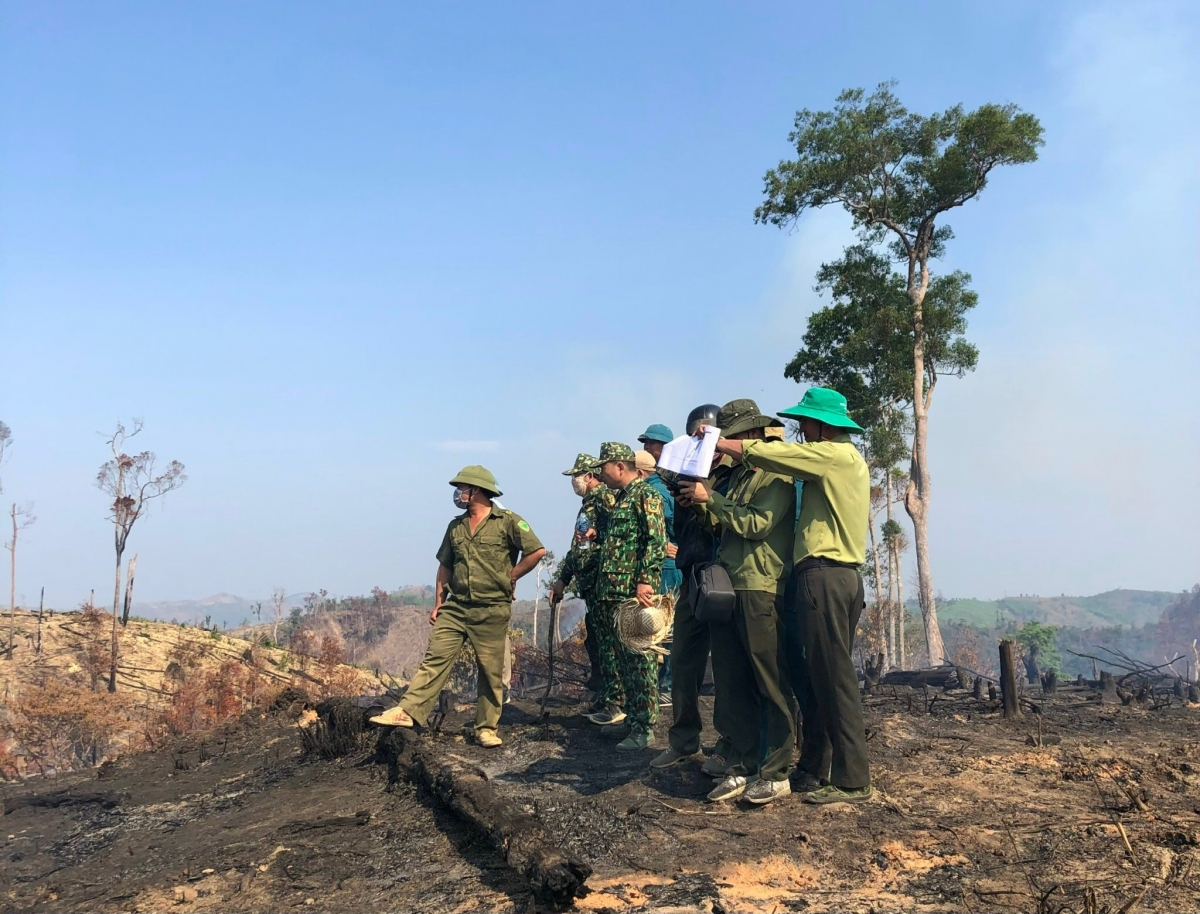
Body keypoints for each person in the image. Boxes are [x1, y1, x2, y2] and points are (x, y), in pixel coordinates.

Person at [711, 388, 872, 804]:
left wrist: (723, 443)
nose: (802, 432)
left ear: (824, 426)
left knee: (835, 679)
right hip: (829, 577)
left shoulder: (835, 455)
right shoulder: (835, 462)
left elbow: (777, 456)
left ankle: (853, 780)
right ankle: (817, 767)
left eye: (807, 425)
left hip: (826, 576)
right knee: (820, 677)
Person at [370, 466, 545, 749]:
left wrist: (511, 576)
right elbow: (445, 565)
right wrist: (439, 602)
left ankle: (486, 728)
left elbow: (536, 551)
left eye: (463, 487)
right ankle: (409, 711)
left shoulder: (507, 521)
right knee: (435, 659)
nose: (459, 493)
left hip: (491, 609)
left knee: (490, 670)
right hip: (457, 606)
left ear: (477, 490)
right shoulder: (456, 527)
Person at [675, 400, 796, 805]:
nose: (723, 443)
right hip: (730, 586)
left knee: (769, 681)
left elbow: (756, 524)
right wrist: (702, 505)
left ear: (749, 436)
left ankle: (777, 769)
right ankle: (741, 763)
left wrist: (714, 500)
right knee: (731, 680)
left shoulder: (776, 474)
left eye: (730, 436)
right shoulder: (741, 475)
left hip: (760, 586)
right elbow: (726, 526)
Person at [649, 404, 736, 779]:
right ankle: (684, 739)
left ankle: (728, 745)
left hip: (727, 579)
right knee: (684, 662)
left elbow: (733, 523)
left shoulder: (735, 475)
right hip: (693, 577)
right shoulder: (683, 474)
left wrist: (704, 502)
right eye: (695, 435)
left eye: (709, 435)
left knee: (730, 669)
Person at [588, 442, 667, 751]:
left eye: (603, 467)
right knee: (623, 662)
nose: (600, 473)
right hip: (612, 593)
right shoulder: (621, 499)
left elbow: (656, 540)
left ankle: (645, 727)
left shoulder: (646, 494)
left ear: (620, 466)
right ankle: (633, 721)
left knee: (639, 661)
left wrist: (646, 580)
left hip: (633, 596)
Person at [550, 453, 615, 708]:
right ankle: (602, 691)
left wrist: (597, 533)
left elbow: (619, 534)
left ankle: (612, 697)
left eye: (577, 476)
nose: (574, 482)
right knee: (595, 638)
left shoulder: (604, 498)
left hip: (603, 581)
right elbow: (577, 547)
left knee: (605, 642)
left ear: (589, 475)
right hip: (588, 584)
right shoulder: (587, 503)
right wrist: (562, 580)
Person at [635, 446, 682, 706]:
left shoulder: (655, 492)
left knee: (665, 625)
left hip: (666, 568)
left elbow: (672, 526)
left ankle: (667, 684)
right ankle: (663, 683)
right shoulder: (655, 489)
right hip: (662, 566)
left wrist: (670, 544)